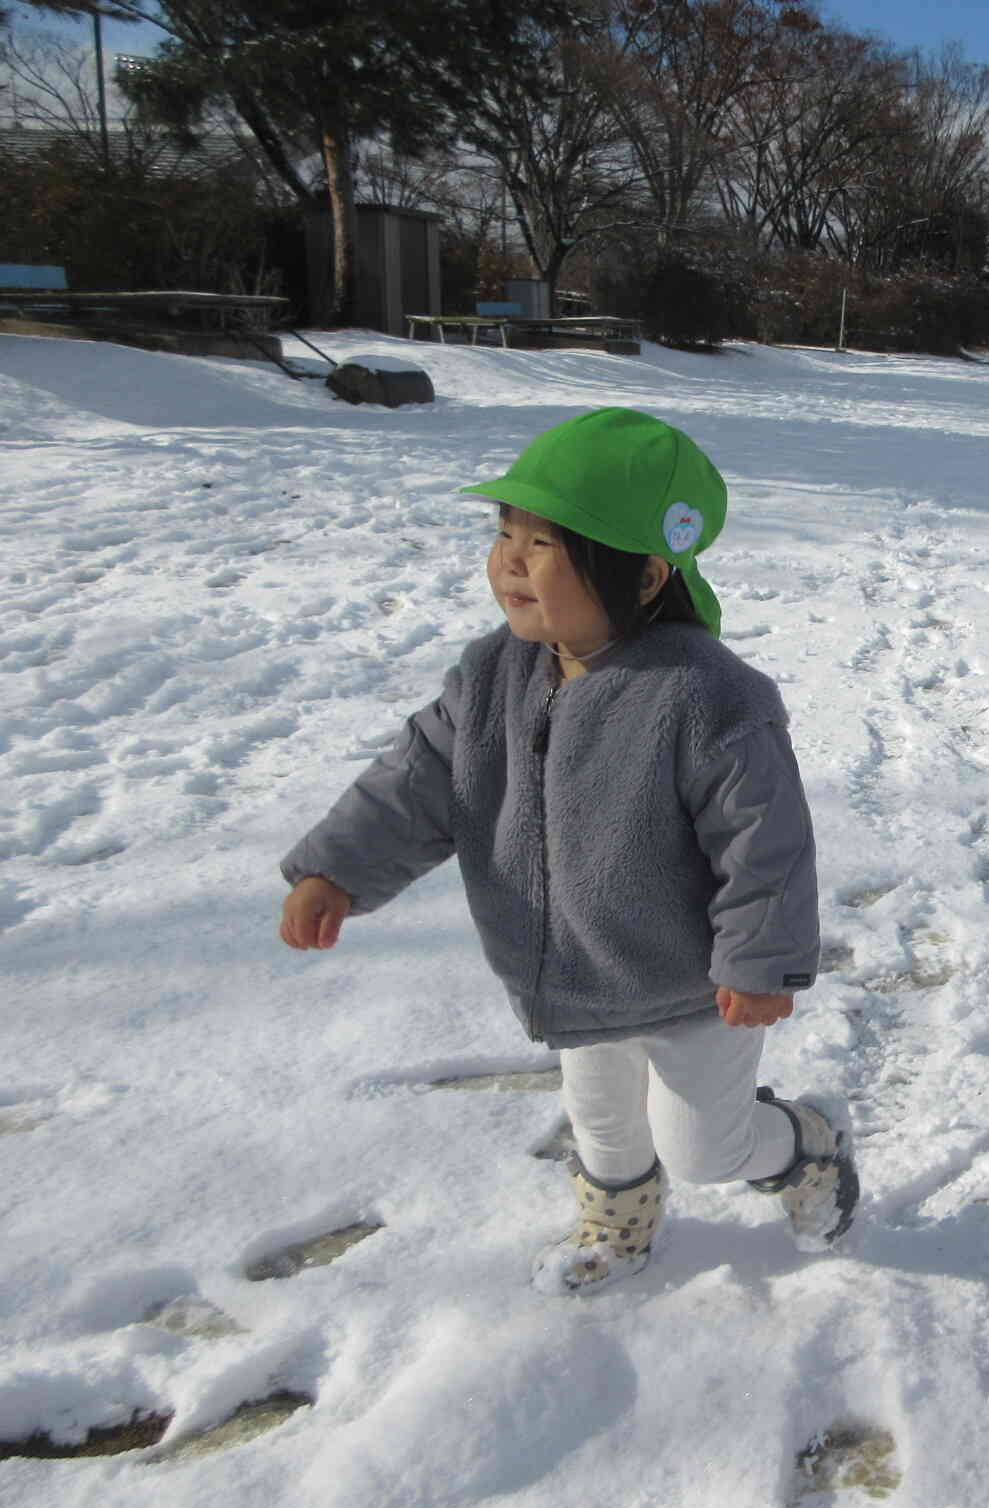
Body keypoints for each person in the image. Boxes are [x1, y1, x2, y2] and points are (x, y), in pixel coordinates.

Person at [277, 407, 856, 1296]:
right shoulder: (491, 677)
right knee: (604, 1128)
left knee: (705, 1148)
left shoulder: (708, 697)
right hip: (573, 973)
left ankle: (806, 1146)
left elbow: (765, 839)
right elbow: (419, 779)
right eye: (504, 530)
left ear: (648, 571)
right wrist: (338, 869)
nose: (509, 559)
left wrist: (762, 959)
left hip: (696, 985)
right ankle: (619, 1227)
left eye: (544, 543)